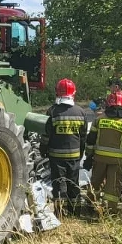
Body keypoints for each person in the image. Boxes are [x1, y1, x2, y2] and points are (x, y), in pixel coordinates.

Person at [85, 89, 122, 215]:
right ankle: (111, 211)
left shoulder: (99, 120)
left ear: (108, 105)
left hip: (100, 159)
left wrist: (88, 156)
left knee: (95, 183)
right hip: (119, 161)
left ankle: (91, 207)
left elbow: (90, 140)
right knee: (113, 188)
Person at [45, 78, 88, 216]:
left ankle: (59, 213)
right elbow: (83, 137)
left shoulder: (52, 111)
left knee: (58, 184)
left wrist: (43, 150)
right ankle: (75, 211)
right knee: (73, 183)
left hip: (56, 156)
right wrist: (81, 153)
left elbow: (46, 135)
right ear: (73, 93)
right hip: (74, 156)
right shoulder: (81, 112)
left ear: (57, 93)